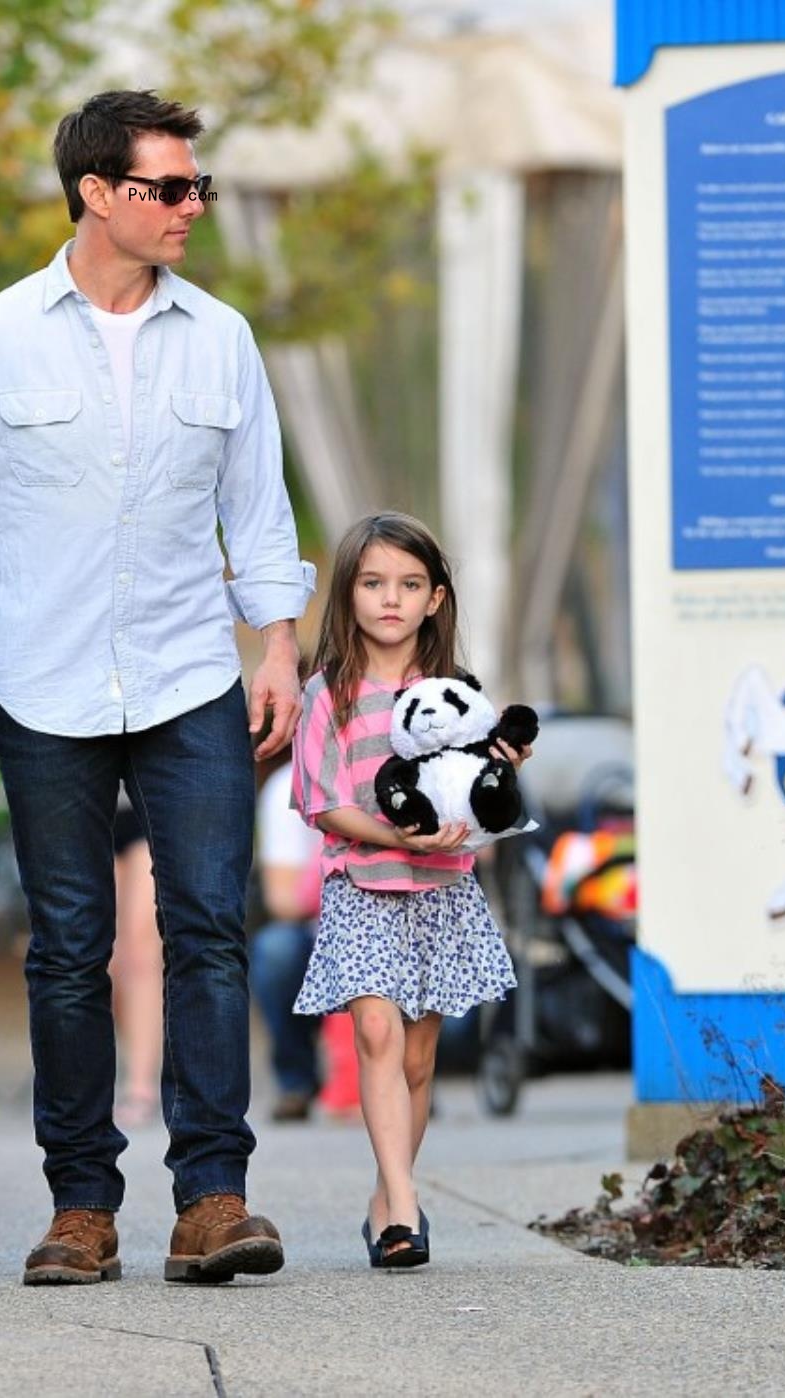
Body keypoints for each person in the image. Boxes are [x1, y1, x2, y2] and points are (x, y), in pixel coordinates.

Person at [0, 90, 315, 1287]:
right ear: (99, 193)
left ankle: (213, 1198)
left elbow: (257, 512)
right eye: (171, 187)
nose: (193, 207)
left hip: (192, 674)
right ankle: (81, 1208)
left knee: (207, 929)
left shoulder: (223, 339)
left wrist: (280, 646)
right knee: (66, 949)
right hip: (45, 689)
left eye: (199, 185)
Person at [290, 512, 528, 1269]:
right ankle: (406, 1207)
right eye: (373, 583)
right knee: (376, 1035)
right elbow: (318, 799)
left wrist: (502, 769)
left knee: (420, 1060)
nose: (390, 599)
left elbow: (483, 787)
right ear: (348, 594)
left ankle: (384, 1197)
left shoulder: (455, 694)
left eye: (409, 584)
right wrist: (396, 834)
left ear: (435, 598)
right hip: (362, 884)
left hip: (441, 891)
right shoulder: (327, 693)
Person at [250, 759, 323, 1122]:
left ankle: (412, 1079)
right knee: (275, 949)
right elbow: (282, 900)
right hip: (318, 929)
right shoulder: (289, 788)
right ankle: (296, 1079)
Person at [108, 790, 163, 1131]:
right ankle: (118, 1070)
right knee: (107, 957)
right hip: (86, 786)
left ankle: (140, 1086)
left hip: (147, 792)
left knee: (141, 949)